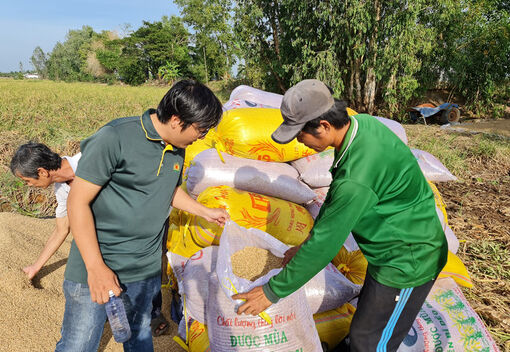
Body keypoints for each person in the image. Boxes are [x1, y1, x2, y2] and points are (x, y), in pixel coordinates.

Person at [233, 79, 448, 351]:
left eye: (300, 134)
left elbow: (326, 244)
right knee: (362, 330)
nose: (299, 141)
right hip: (388, 251)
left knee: (371, 342)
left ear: (324, 126)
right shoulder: (363, 127)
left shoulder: (356, 178)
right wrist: (305, 242)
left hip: (409, 260)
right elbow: (335, 200)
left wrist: (271, 292)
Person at [56, 79, 229, 352]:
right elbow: (77, 202)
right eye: (201, 129)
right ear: (175, 120)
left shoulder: (177, 148)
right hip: (100, 265)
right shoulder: (116, 137)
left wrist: (203, 210)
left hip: (144, 270)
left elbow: (164, 189)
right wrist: (96, 267)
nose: (203, 136)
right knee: (78, 345)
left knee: (139, 339)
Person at [10, 142, 80, 280]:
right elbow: (61, 229)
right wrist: (36, 266)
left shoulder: (89, 160)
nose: (29, 185)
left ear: (42, 172)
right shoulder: (62, 191)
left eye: (27, 181)